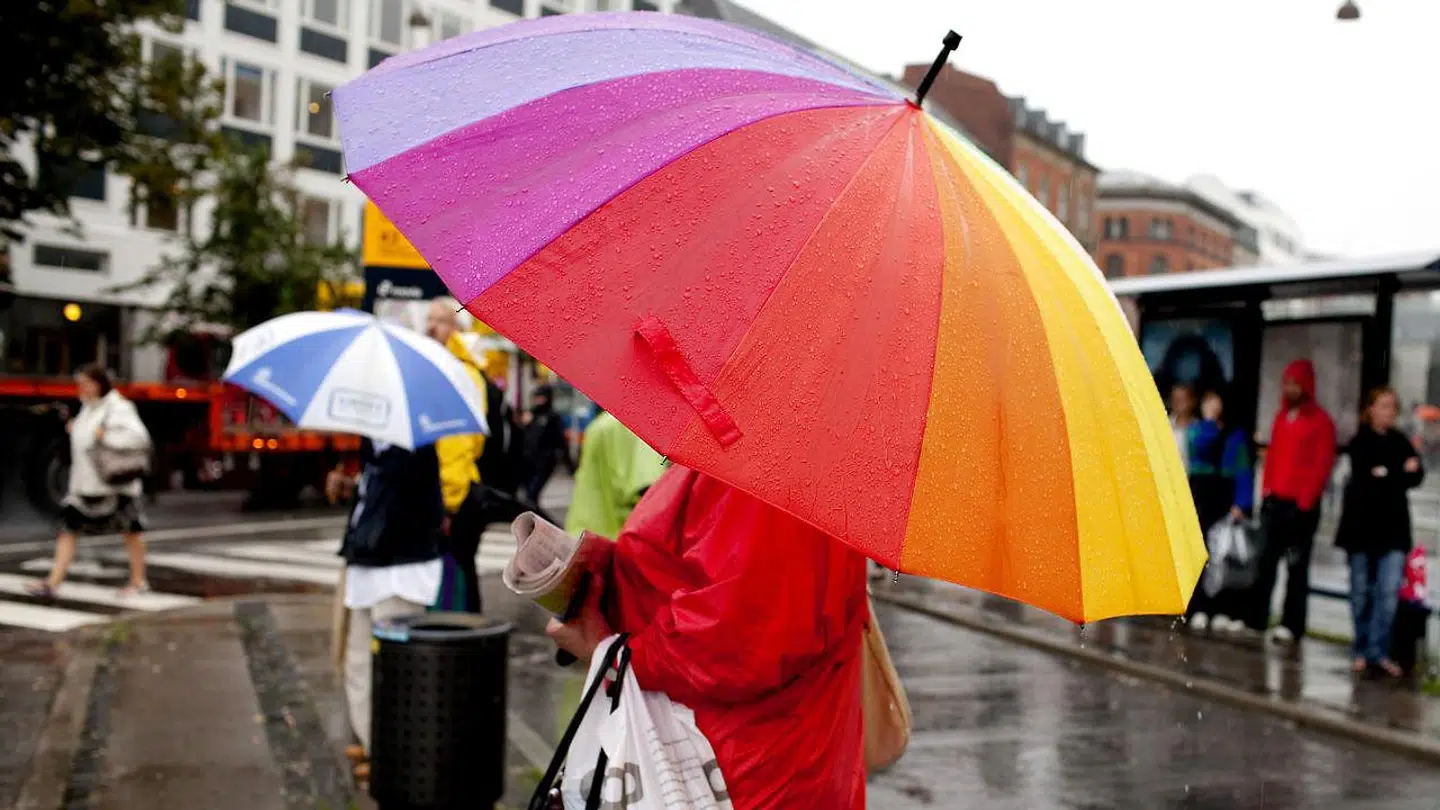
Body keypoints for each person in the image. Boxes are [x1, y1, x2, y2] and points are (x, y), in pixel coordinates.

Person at [547, 465, 869, 810]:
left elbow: (736, 639)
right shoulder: (753, 455)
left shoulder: (770, 470)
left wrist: (607, 651)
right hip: (747, 761)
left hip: (739, 774)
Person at [340, 438, 446, 776]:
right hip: (367, 565)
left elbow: (424, 510)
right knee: (357, 661)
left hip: (400, 570)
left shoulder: (417, 448)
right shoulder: (372, 446)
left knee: (394, 669)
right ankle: (373, 740)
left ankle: (391, 754)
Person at [27, 364, 152, 599]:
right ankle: (53, 583)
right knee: (67, 530)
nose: (81, 388)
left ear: (98, 384)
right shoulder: (89, 408)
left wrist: (106, 436)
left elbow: (138, 438)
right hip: (85, 485)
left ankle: (138, 581)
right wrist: (76, 429)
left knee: (132, 532)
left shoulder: (119, 408)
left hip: (115, 486)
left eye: (85, 383)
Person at [1334, 386, 1425, 676]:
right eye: (1382, 406)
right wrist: (1398, 473)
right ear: (1371, 409)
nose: (1388, 412)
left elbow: (1416, 474)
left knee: (1387, 593)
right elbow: (1366, 478)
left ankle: (1379, 651)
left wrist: (1388, 473)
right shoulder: (1360, 441)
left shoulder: (1400, 441)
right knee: (1361, 592)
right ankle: (1361, 648)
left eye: (1391, 407)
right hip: (1361, 530)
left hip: (1394, 531)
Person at [1248, 359, 1336, 642]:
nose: (1290, 388)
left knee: (1297, 568)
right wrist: (1267, 491)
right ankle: (1257, 618)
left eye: (1295, 383)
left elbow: (1321, 464)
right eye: (1287, 383)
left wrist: (1305, 501)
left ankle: (1292, 623)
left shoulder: (1321, 422)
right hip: (1276, 501)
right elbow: (1272, 459)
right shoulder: (1281, 418)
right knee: (1265, 562)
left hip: (1300, 505)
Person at [425, 297, 489, 613]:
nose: (429, 327)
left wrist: (447, 506)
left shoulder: (456, 374)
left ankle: (461, 650)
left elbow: (457, 445)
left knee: (455, 580)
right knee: (461, 574)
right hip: (464, 492)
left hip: (457, 498)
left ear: (456, 329)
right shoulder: (462, 372)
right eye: (429, 319)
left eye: (438, 321)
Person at [1184, 389, 1254, 632]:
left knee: (1224, 556)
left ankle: (1222, 608)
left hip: (1225, 495)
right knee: (1199, 553)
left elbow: (1243, 469)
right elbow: (1199, 449)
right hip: (1202, 494)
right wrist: (1209, 422)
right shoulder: (1197, 429)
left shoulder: (1237, 435)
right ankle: (1199, 607)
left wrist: (1241, 503)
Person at [564, 409, 666, 539]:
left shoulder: (598, 424)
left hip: (581, 529)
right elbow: (649, 489)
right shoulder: (640, 429)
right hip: (614, 539)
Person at [520, 384, 571, 507]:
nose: (539, 400)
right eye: (537, 397)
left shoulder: (552, 417)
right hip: (527, 460)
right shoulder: (530, 414)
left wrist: (568, 463)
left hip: (544, 461)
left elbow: (560, 441)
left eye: (542, 397)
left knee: (532, 495)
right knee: (528, 494)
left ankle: (534, 521)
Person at [1169, 383, 1198, 470]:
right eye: (1175, 400)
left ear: (1192, 402)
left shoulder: (1199, 428)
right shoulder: (1164, 427)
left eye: (1182, 400)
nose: (1178, 404)